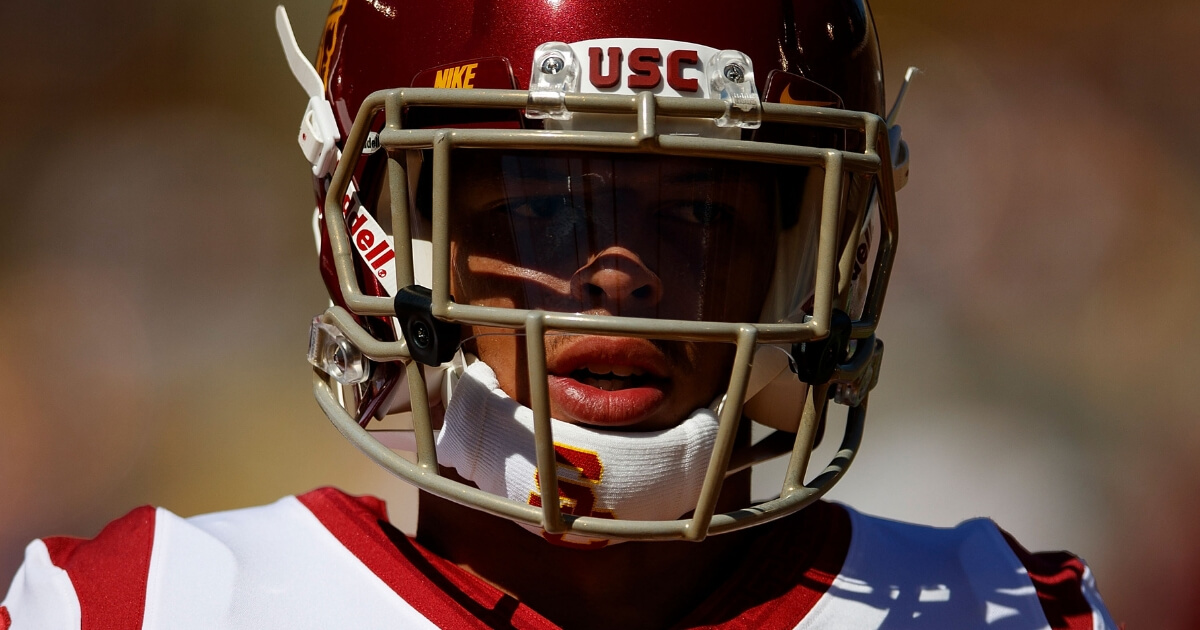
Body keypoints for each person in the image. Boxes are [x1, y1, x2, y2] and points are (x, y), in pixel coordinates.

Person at [1, 0, 1117, 628]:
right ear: (385, 233)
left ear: (805, 258)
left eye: (699, 213)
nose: (616, 274)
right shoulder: (148, 610)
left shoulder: (1005, 612)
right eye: (541, 204)